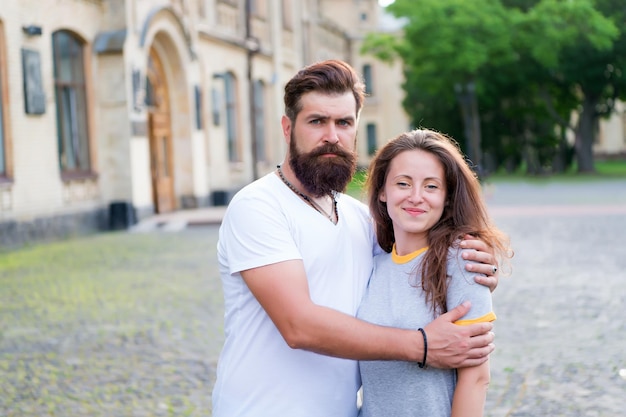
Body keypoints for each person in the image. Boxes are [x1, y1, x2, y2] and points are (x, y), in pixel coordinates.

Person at [212, 60, 500, 417]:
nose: (332, 135)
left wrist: (475, 266)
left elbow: (417, 260)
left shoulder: (359, 218)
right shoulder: (258, 206)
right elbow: (298, 325)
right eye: (317, 121)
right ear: (288, 128)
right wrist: (423, 345)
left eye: (344, 123)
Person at [357, 129, 513, 417]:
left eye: (431, 187)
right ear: (382, 191)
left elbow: (476, 378)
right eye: (403, 183)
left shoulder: (464, 261)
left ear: (447, 197)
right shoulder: (372, 264)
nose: (416, 197)